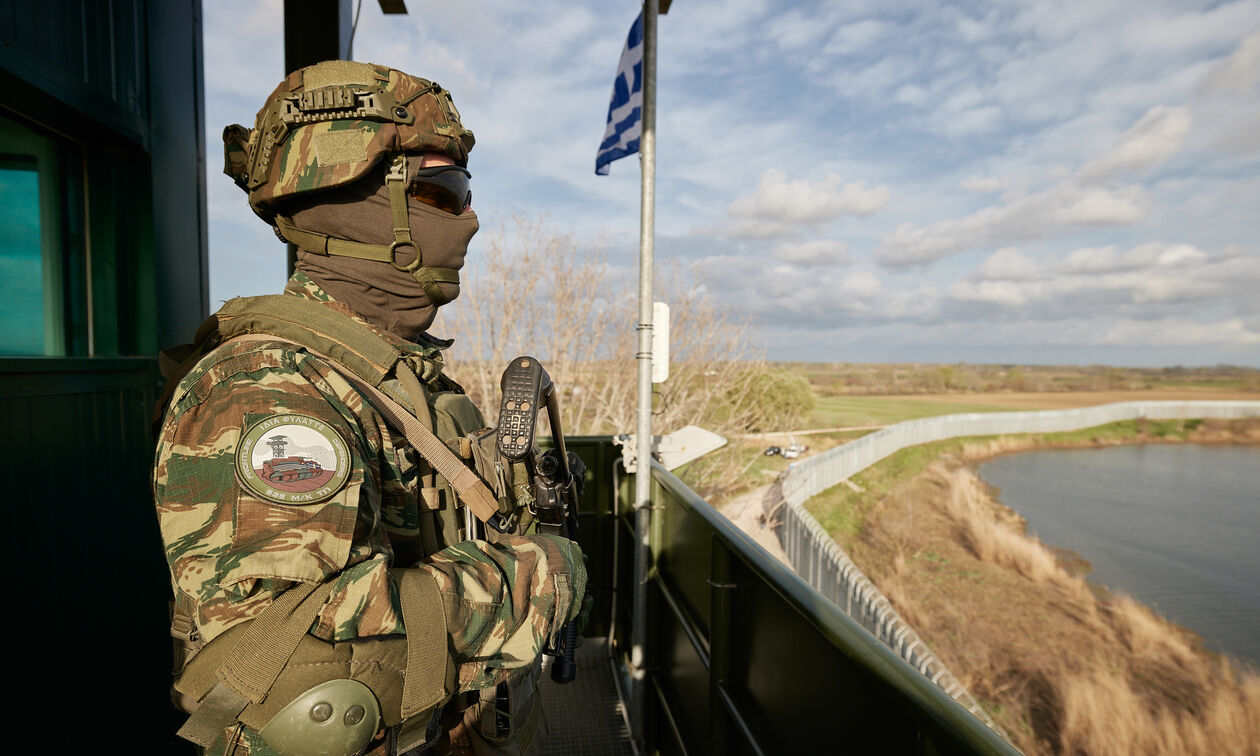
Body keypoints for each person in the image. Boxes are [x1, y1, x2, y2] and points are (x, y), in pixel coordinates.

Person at [153, 60, 585, 756]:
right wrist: (540, 580)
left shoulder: (385, 371)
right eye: (444, 192)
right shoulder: (270, 389)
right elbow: (299, 685)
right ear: (352, 197)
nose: (469, 218)